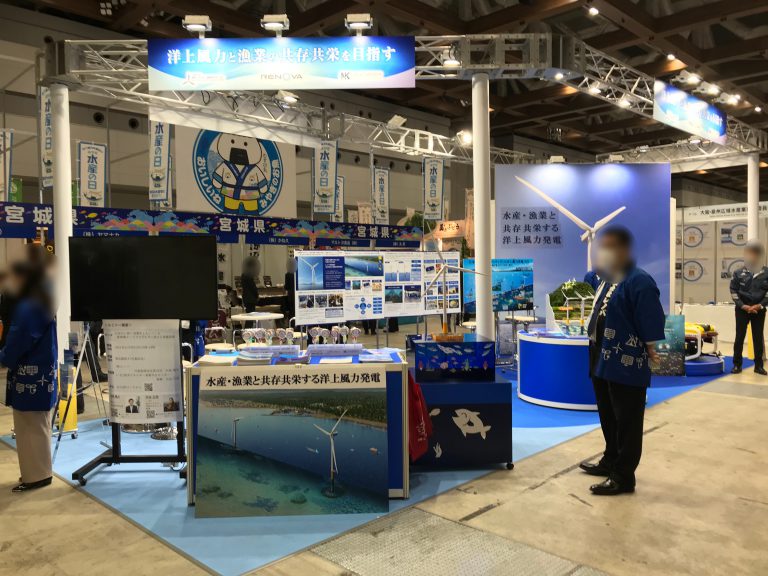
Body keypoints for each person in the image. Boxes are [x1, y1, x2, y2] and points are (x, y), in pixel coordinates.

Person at [580, 226, 666, 496]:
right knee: (607, 413)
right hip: (601, 355)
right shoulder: (607, 278)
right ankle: (610, 459)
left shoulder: (640, 281)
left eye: (609, 247)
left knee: (627, 418)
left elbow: (651, 318)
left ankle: (623, 475)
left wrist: (652, 349)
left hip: (626, 359)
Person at [0, 261, 57, 493]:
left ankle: (37, 476)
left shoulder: (30, 306)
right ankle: (37, 472)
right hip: (41, 371)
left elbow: (19, 338)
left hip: (30, 373)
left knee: (29, 425)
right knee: (37, 423)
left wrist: (3, 357)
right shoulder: (43, 301)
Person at [730, 241, 768, 376]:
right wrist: (743, 306)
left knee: (758, 338)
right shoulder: (738, 273)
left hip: (759, 310)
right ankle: (737, 365)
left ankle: (759, 366)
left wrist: (760, 305)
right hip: (742, 310)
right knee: (739, 337)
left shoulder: (766, 273)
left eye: (755, 254)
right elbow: (733, 291)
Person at [241, 257, 260, 328]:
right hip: (251, 299)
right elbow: (253, 288)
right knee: (250, 317)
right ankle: (248, 330)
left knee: (249, 316)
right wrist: (257, 295)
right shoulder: (249, 276)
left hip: (246, 298)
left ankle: (247, 330)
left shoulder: (243, 275)